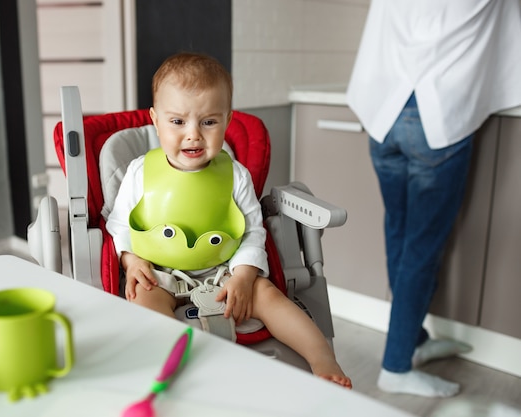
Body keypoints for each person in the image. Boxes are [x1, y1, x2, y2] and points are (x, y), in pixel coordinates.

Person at [106, 52, 352, 388]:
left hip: (221, 271)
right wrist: (132, 261)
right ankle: (178, 371)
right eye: (178, 122)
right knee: (144, 302)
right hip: (161, 272)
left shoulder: (236, 175)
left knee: (269, 295)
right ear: (155, 120)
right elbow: (119, 224)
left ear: (227, 118)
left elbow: (252, 231)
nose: (193, 135)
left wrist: (244, 276)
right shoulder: (139, 171)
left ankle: (322, 357)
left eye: (208, 122)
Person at [347, 0, 521, 398]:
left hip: (384, 116)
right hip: (435, 118)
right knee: (421, 249)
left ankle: (415, 340)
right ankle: (396, 366)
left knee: (400, 233)